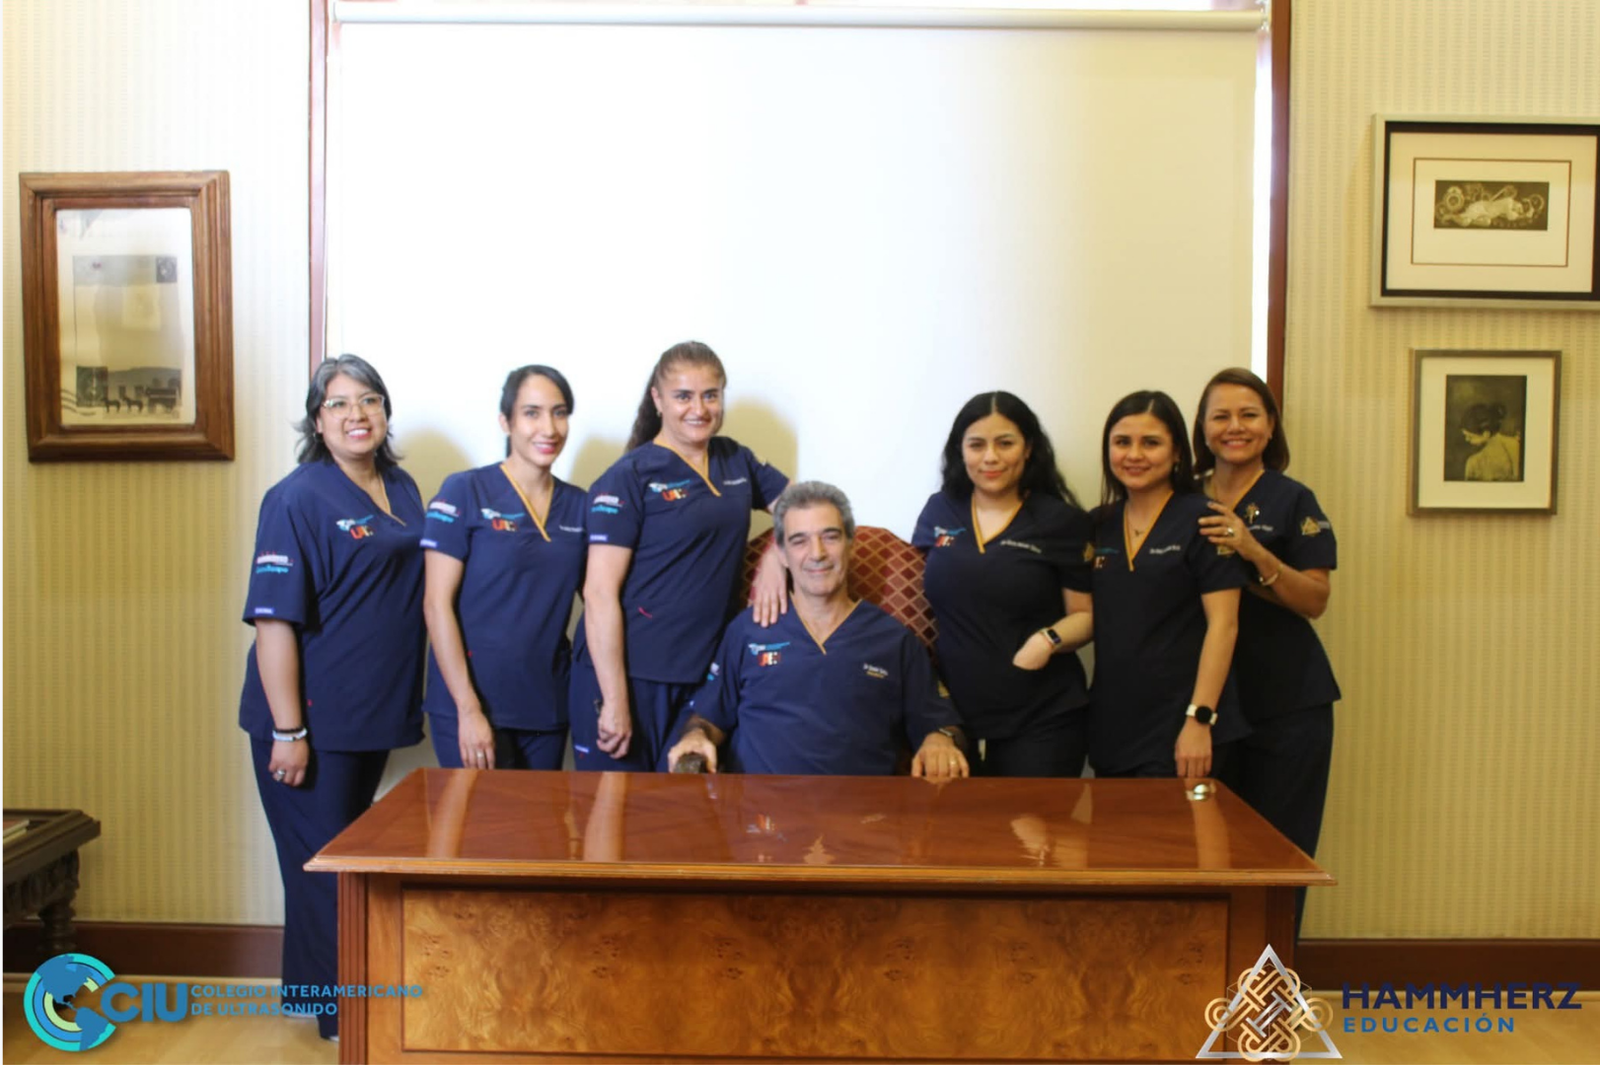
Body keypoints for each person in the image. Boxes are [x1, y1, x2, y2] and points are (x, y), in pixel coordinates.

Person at [237, 354, 425, 1038]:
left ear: (385, 411)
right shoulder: (296, 499)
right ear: (317, 421)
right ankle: (345, 1019)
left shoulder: (401, 486)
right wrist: (289, 730)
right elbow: (273, 623)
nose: (356, 414)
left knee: (334, 862)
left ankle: (314, 997)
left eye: (369, 399)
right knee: (326, 873)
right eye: (338, 403)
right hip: (310, 724)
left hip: (368, 717)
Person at [571, 340, 790, 772]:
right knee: (614, 808)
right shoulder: (629, 476)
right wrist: (614, 700)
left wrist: (774, 557)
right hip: (629, 675)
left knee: (684, 807)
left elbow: (806, 508)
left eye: (711, 395)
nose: (699, 409)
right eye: (683, 396)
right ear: (658, 399)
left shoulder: (735, 459)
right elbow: (597, 594)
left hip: (701, 674)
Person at [667, 482, 969, 778]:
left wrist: (941, 740)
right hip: (759, 808)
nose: (817, 553)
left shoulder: (894, 640)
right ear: (782, 554)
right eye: (799, 541)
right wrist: (696, 735)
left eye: (830, 537)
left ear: (850, 544)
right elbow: (708, 717)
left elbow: (942, 723)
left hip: (863, 809)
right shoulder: (748, 632)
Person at [1193, 367, 1339, 934]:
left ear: (1270, 425)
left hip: (1286, 701)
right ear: (1202, 428)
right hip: (1204, 707)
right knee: (1203, 852)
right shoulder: (1183, 498)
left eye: (1249, 415)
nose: (1235, 427)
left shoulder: (1292, 498)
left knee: (1279, 853)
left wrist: (1254, 551)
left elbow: (1315, 600)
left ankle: (1271, 982)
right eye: (1221, 416)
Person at [912, 392, 1093, 777]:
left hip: (1042, 717)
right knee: (959, 819)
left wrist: (1047, 640)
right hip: (956, 720)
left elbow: (1085, 616)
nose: (990, 457)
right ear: (960, 451)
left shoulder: (1060, 521)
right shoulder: (939, 510)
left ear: (1028, 448)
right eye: (977, 445)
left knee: (1029, 820)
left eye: (1005, 443)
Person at [420, 365, 587, 771]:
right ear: (505, 421)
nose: (548, 428)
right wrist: (468, 709)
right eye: (531, 413)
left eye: (559, 413)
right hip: (471, 704)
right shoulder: (465, 491)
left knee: (541, 815)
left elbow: (601, 598)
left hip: (546, 704)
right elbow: (436, 605)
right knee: (477, 815)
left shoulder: (580, 506)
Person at [1086, 390, 1248, 779]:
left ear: (1177, 452)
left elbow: (1224, 626)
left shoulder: (1205, 520)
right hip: (1115, 724)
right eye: (1122, 442)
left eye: (1151, 443)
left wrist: (1199, 719)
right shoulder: (1098, 524)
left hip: (1183, 725)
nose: (1134, 455)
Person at [1460, 402, 1520, 481]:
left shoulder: (1474, 462)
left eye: (1470, 437)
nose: (1466, 439)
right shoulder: (1514, 443)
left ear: (1486, 434)